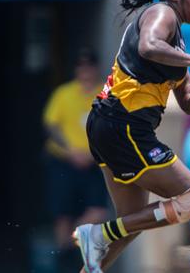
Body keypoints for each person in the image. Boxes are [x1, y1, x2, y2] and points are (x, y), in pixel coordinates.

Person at [72, 0, 190, 273]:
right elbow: (149, 46)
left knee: (131, 223)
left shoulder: (176, 42)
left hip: (110, 124)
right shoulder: (163, 14)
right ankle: (99, 233)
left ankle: (96, 250)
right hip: (125, 125)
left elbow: (187, 102)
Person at [42, 48, 109, 272]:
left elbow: (111, 126)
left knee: (98, 211)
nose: (85, 71)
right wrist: (70, 151)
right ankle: (62, 260)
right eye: (81, 66)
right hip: (64, 161)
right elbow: (51, 125)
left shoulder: (105, 93)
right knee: (62, 214)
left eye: (89, 66)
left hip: (95, 163)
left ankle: (72, 250)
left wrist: (93, 152)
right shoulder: (64, 94)